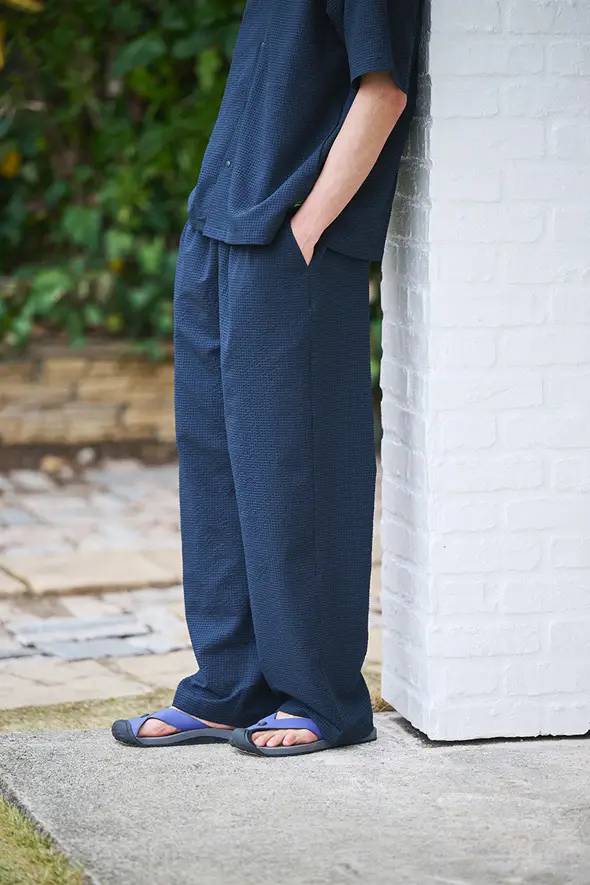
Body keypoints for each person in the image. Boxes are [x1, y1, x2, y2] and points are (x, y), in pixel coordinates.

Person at [112, 0, 423, 757]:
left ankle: (322, 696)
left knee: (297, 475)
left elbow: (383, 91)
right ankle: (229, 689)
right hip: (218, 230)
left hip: (290, 245)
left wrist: (309, 227)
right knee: (218, 474)